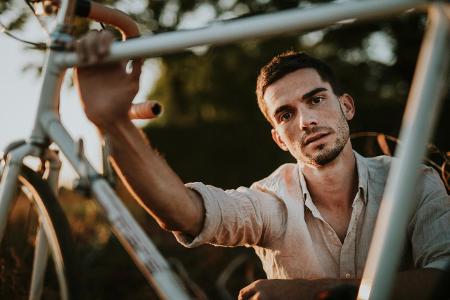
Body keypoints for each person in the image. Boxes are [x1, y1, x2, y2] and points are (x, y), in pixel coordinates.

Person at [73, 31, 450, 299]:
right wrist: (114, 123)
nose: (305, 121)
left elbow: (443, 278)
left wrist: (310, 294)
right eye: (286, 114)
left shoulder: (415, 182)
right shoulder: (271, 200)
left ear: (346, 106)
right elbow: (186, 214)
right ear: (279, 138)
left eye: (316, 100)